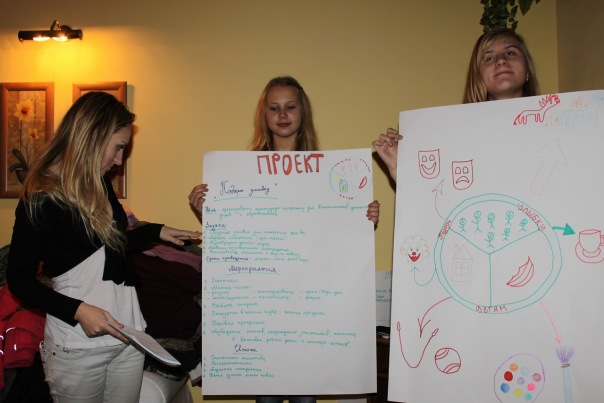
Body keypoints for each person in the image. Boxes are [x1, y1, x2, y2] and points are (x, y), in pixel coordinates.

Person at [189, 76, 379, 403]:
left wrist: (362, 219)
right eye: (274, 108)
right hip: (264, 304)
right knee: (267, 397)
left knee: (305, 397)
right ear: (263, 114)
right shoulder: (240, 172)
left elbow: (333, 238)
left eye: (290, 107)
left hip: (309, 303)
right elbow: (237, 238)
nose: (282, 115)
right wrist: (208, 212)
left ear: (302, 112)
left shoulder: (328, 174)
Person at [6, 91, 201, 403]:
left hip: (129, 337)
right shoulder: (43, 196)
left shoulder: (100, 183)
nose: (119, 160)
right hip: (78, 344)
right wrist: (79, 311)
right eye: (118, 147)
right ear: (92, 136)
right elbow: (19, 280)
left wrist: (157, 231)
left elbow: (111, 246)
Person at [372, 28, 540, 182]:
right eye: (489, 58)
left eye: (510, 53)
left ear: (527, 70)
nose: (501, 60)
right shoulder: (455, 138)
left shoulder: (552, 127)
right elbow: (442, 195)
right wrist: (400, 169)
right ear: (478, 77)